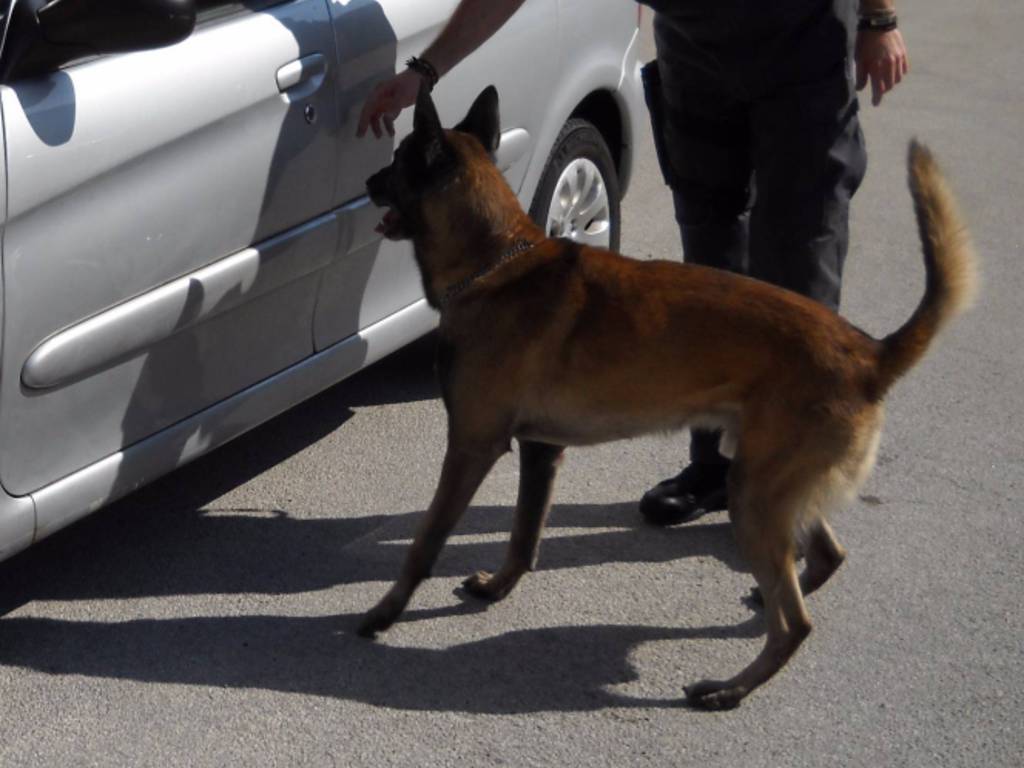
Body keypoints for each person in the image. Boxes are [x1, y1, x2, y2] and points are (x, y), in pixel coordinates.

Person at [358, 0, 909, 526]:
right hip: (697, 55)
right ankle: (716, 467)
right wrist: (426, 71)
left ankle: (781, 489)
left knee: (798, 258)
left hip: (800, 43)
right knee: (710, 258)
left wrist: (878, 19)